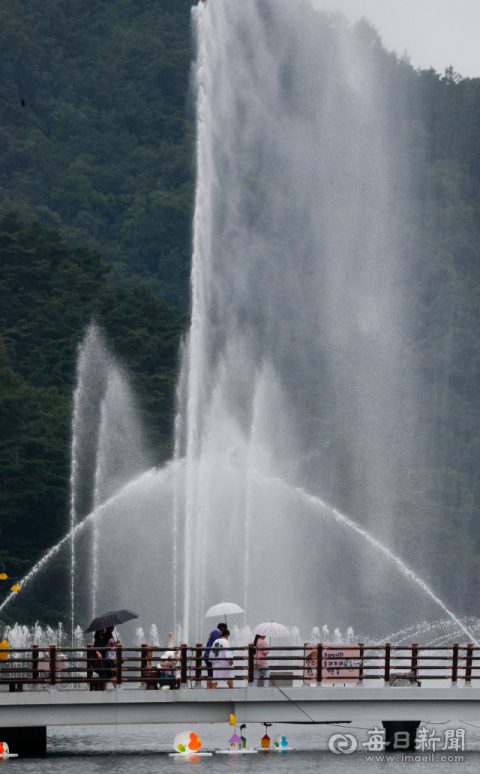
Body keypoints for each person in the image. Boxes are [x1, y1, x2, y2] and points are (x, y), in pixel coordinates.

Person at [205, 622, 227, 689]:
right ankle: (210, 689)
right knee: (211, 675)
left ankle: (209, 689)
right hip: (210, 655)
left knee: (210, 674)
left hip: (207, 655)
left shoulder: (213, 632)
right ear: (222, 628)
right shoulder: (216, 632)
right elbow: (218, 642)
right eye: (225, 630)